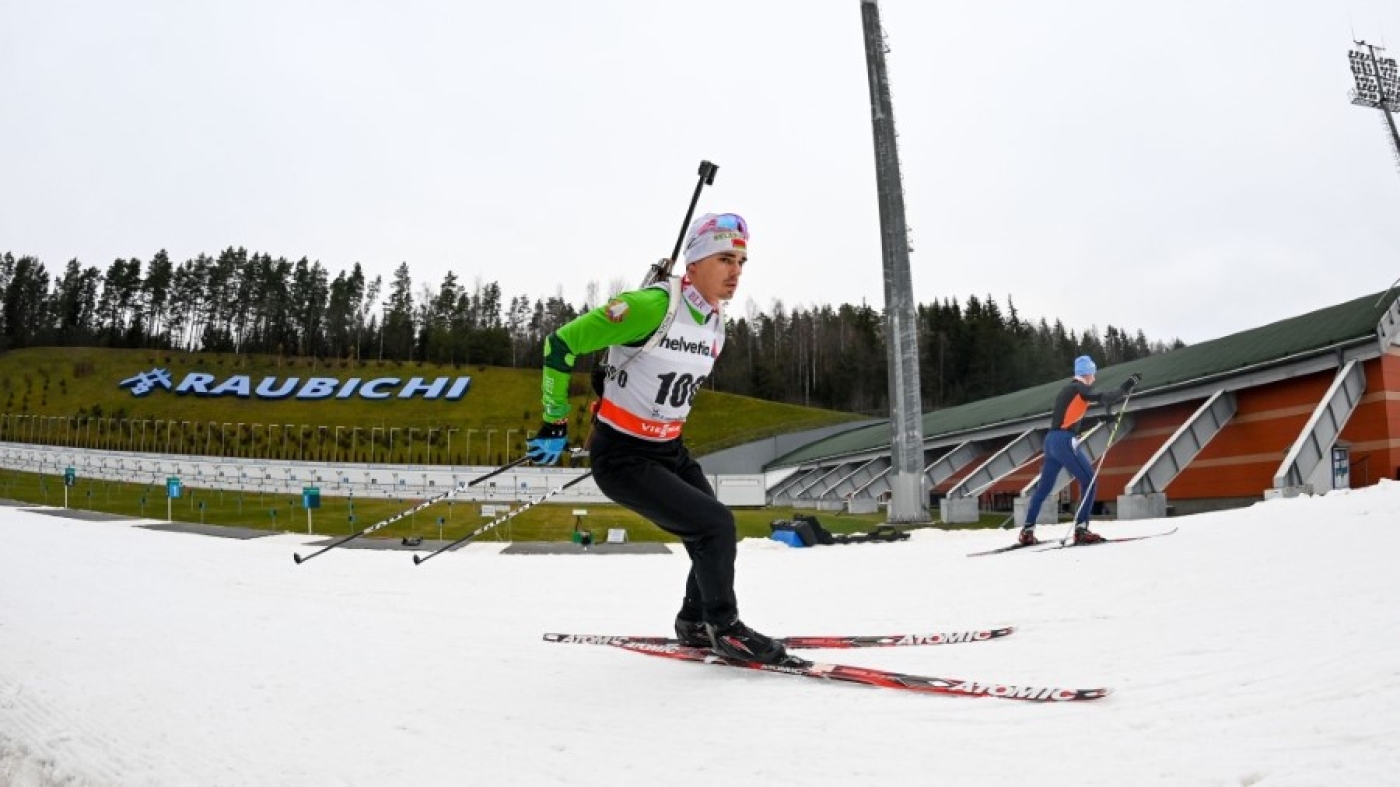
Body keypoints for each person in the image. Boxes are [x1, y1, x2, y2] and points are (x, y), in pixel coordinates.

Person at [525, 212, 793, 666]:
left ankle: (694, 621)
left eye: (742, 262)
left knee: (709, 533)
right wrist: (554, 422)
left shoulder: (715, 322)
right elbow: (560, 344)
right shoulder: (651, 306)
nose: (736, 272)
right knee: (715, 526)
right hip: (624, 455)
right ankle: (726, 630)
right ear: (695, 262)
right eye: (725, 259)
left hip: (669, 448)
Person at [1018, 356, 1141, 546]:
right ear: (1088, 373)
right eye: (1093, 373)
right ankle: (1081, 530)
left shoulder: (1066, 391)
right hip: (1064, 441)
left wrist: (1101, 420)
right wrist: (1128, 384)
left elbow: (1070, 422)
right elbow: (1106, 397)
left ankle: (1027, 531)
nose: (1094, 378)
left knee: (1043, 489)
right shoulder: (1080, 388)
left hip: (1051, 441)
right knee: (1090, 482)